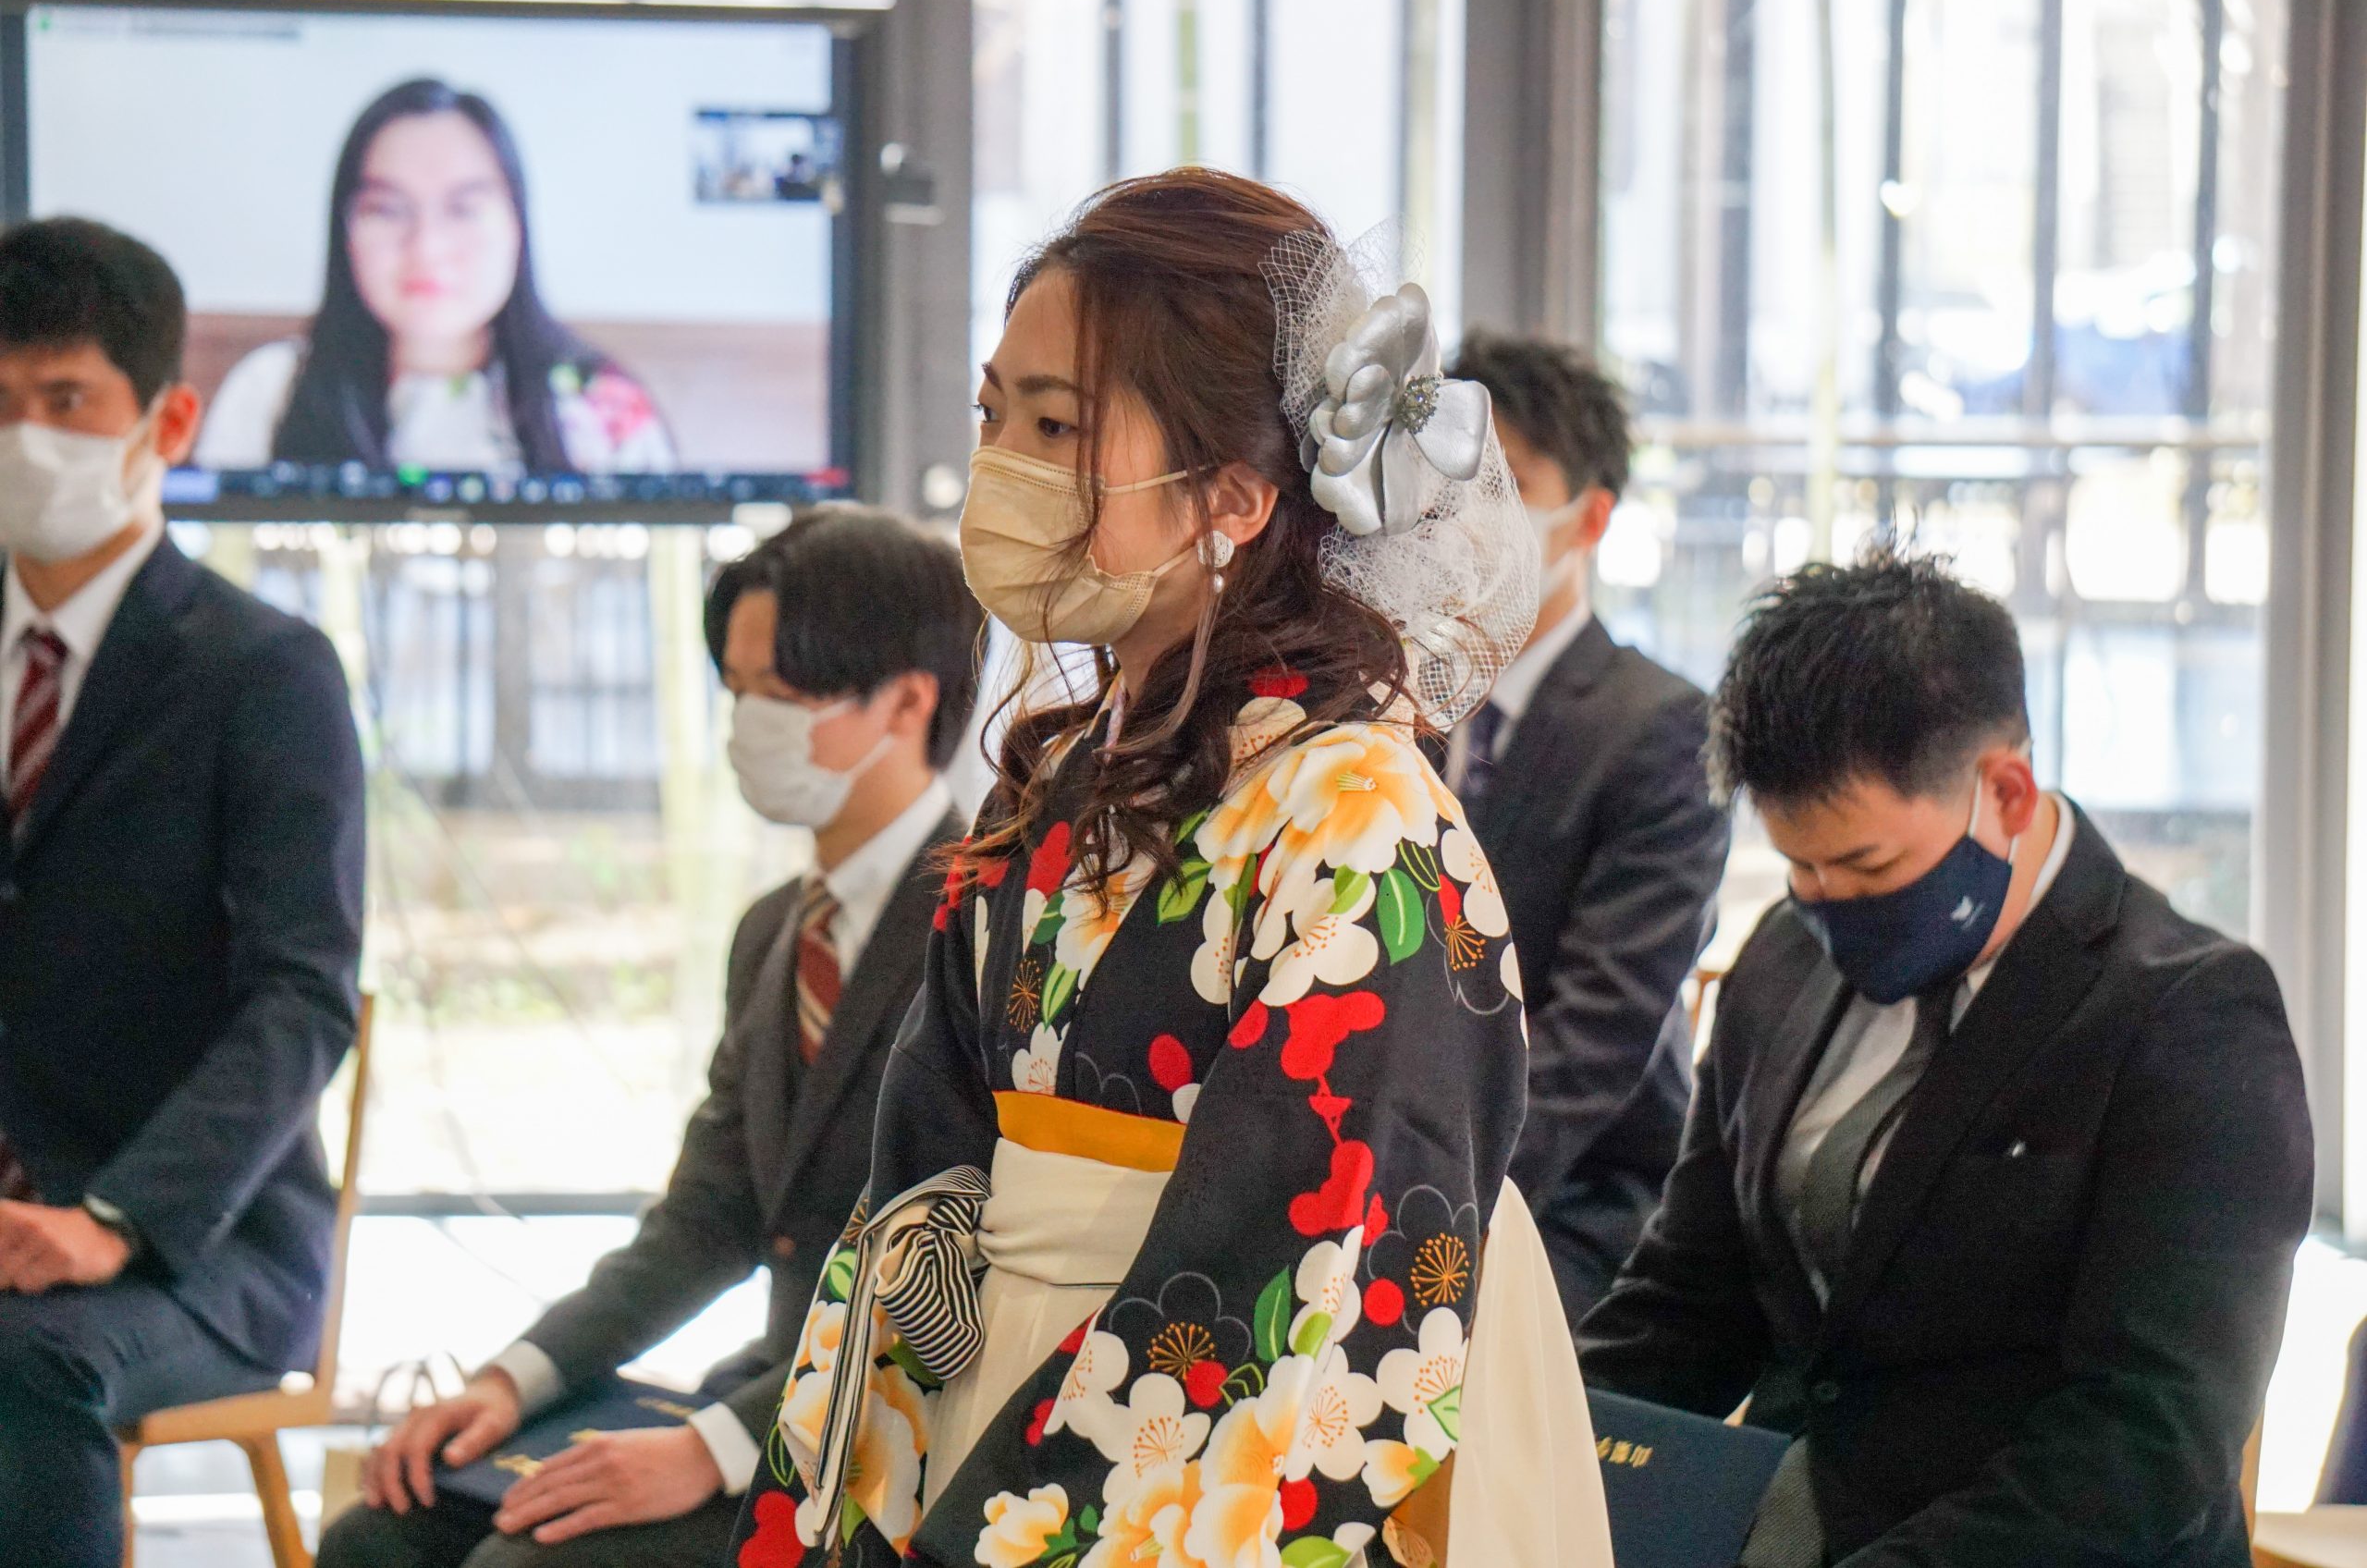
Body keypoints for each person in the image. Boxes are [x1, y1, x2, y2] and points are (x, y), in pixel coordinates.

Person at [725, 167, 1612, 1568]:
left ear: (1238, 494)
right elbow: (928, 1176)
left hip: (1183, 1448)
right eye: (994, 411)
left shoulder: (1361, 816)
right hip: (999, 1397)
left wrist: (996, 1535)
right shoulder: (1054, 788)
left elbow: (1294, 1268)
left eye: (1057, 422)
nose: (1002, 460)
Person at [1579, 553, 2313, 1566]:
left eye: (1871, 864)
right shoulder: (1785, 961)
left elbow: (2148, 1440)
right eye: (1800, 865)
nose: (1830, 899)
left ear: (2005, 792)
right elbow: (1690, 1299)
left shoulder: (2186, 1017)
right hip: (1768, 1521)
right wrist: (1514, 1456)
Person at [318, 510, 980, 1567]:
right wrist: (514, 1377)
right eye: (737, 688)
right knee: (378, 1538)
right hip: (757, 1414)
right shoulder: (775, 932)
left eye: (783, 693)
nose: (745, 722)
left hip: (884, 1446)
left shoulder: (986, 924)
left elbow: (965, 1266)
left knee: (523, 1565)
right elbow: (708, 1217)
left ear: (908, 698)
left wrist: (713, 1448)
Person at [0, 217, 366, 1568]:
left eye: (64, 400)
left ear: (167, 416)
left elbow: (302, 993)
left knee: (27, 1363)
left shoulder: (261, 674)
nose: (26, 437)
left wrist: (111, 1219)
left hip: (189, 1244)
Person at [1441, 332, 1729, 1322]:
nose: (1466, 518)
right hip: (1381, 1174)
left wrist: (1432, 1202)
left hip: (1571, 1198)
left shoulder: (1657, 728)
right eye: (1451, 481)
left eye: (1506, 485)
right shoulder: (1392, 705)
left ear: (1589, 517)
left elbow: (1598, 1034)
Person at [197, 78, 673, 476]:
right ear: (345, 230)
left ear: (517, 225)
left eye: (463, 209)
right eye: (388, 209)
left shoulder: (603, 406)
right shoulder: (269, 391)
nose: (427, 246)